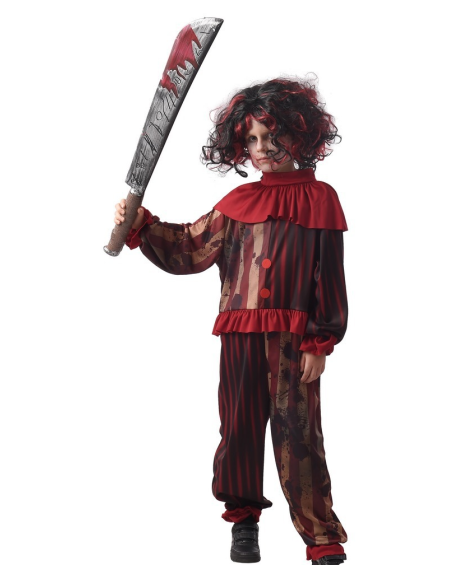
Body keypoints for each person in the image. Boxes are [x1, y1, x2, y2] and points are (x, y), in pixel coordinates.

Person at [112, 77, 349, 565]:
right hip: (239, 337)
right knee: (238, 428)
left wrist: (320, 341)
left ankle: (321, 536)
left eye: (272, 136)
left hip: (293, 341)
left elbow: (329, 277)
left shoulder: (321, 199)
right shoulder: (236, 205)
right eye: (253, 139)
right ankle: (244, 521)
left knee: (299, 434)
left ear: (299, 132)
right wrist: (141, 225)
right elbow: (189, 247)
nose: (262, 149)